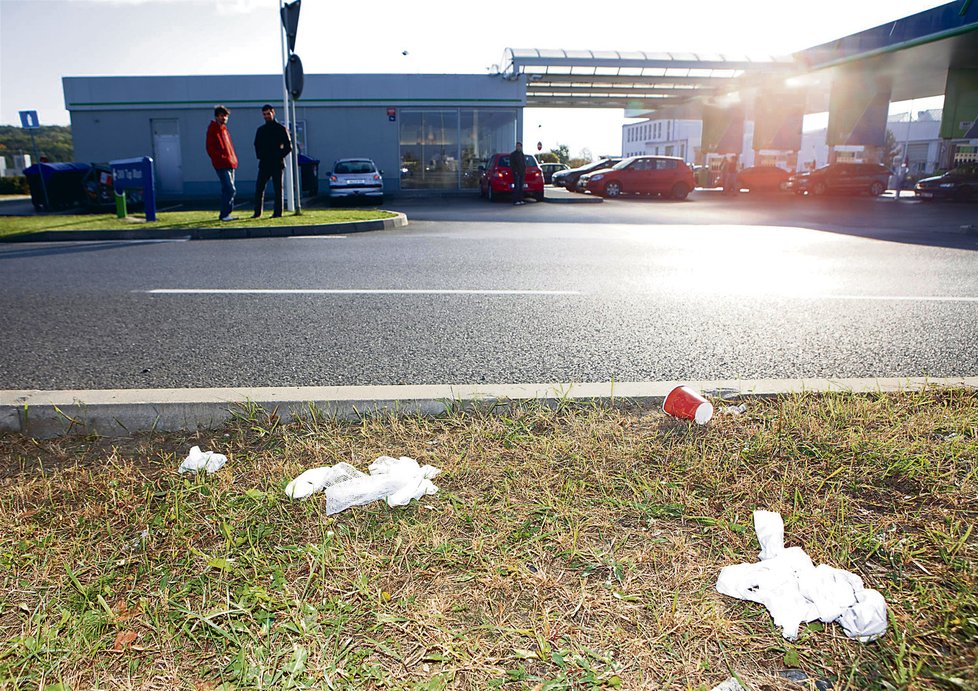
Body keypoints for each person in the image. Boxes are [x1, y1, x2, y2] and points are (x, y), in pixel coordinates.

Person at [252, 104, 292, 218]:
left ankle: (278, 212)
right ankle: (257, 212)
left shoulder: (281, 128)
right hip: (264, 163)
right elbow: (256, 145)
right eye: (264, 114)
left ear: (273, 113)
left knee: (278, 189)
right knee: (259, 188)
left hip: (277, 163)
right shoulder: (261, 130)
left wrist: (279, 156)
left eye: (268, 114)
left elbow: (289, 147)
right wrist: (261, 156)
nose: (266, 116)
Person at [205, 105, 238, 221]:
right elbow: (210, 148)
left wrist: (233, 159)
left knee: (227, 189)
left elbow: (229, 147)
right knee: (230, 189)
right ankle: (225, 214)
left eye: (225, 116)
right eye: (221, 116)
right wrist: (220, 158)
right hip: (222, 164)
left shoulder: (224, 130)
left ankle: (227, 213)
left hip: (230, 163)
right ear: (216, 117)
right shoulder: (213, 130)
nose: (223, 118)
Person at [510, 141, 526, 205]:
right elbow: (512, 164)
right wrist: (515, 171)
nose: (518, 147)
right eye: (517, 146)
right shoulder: (513, 154)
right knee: (517, 187)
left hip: (522, 172)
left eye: (519, 146)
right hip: (516, 173)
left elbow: (523, 163)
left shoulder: (522, 154)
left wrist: (524, 170)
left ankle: (521, 199)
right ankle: (515, 200)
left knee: (521, 187)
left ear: (521, 147)